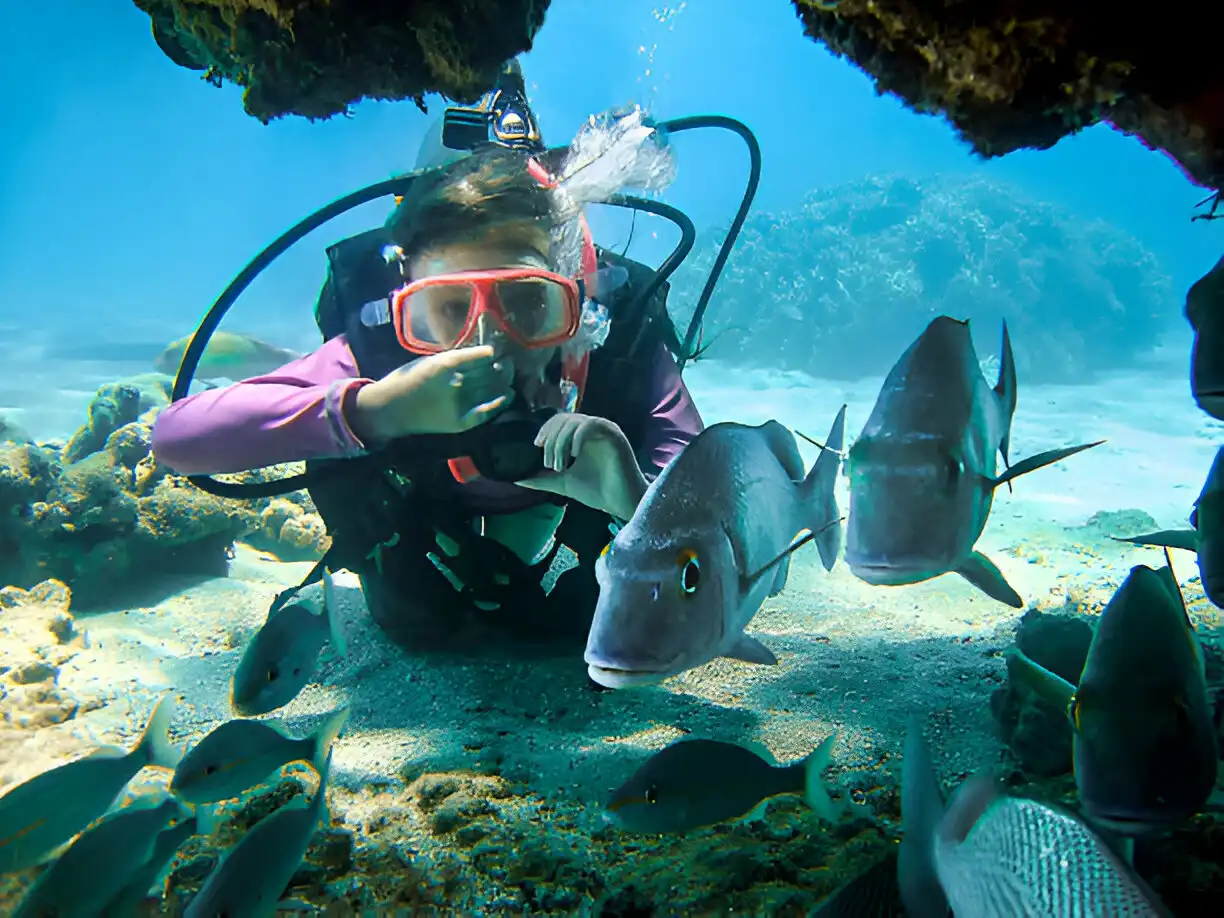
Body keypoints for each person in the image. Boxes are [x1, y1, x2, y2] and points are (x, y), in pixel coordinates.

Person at [151, 75, 704, 655]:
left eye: (526, 302)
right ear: (404, 305)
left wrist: (638, 505)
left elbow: (738, 548)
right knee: (416, 624)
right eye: (449, 308)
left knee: (603, 629)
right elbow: (178, 440)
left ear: (573, 302)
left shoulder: (618, 341)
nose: (489, 343)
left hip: (577, 518)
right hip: (424, 510)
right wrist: (377, 409)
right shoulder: (380, 347)